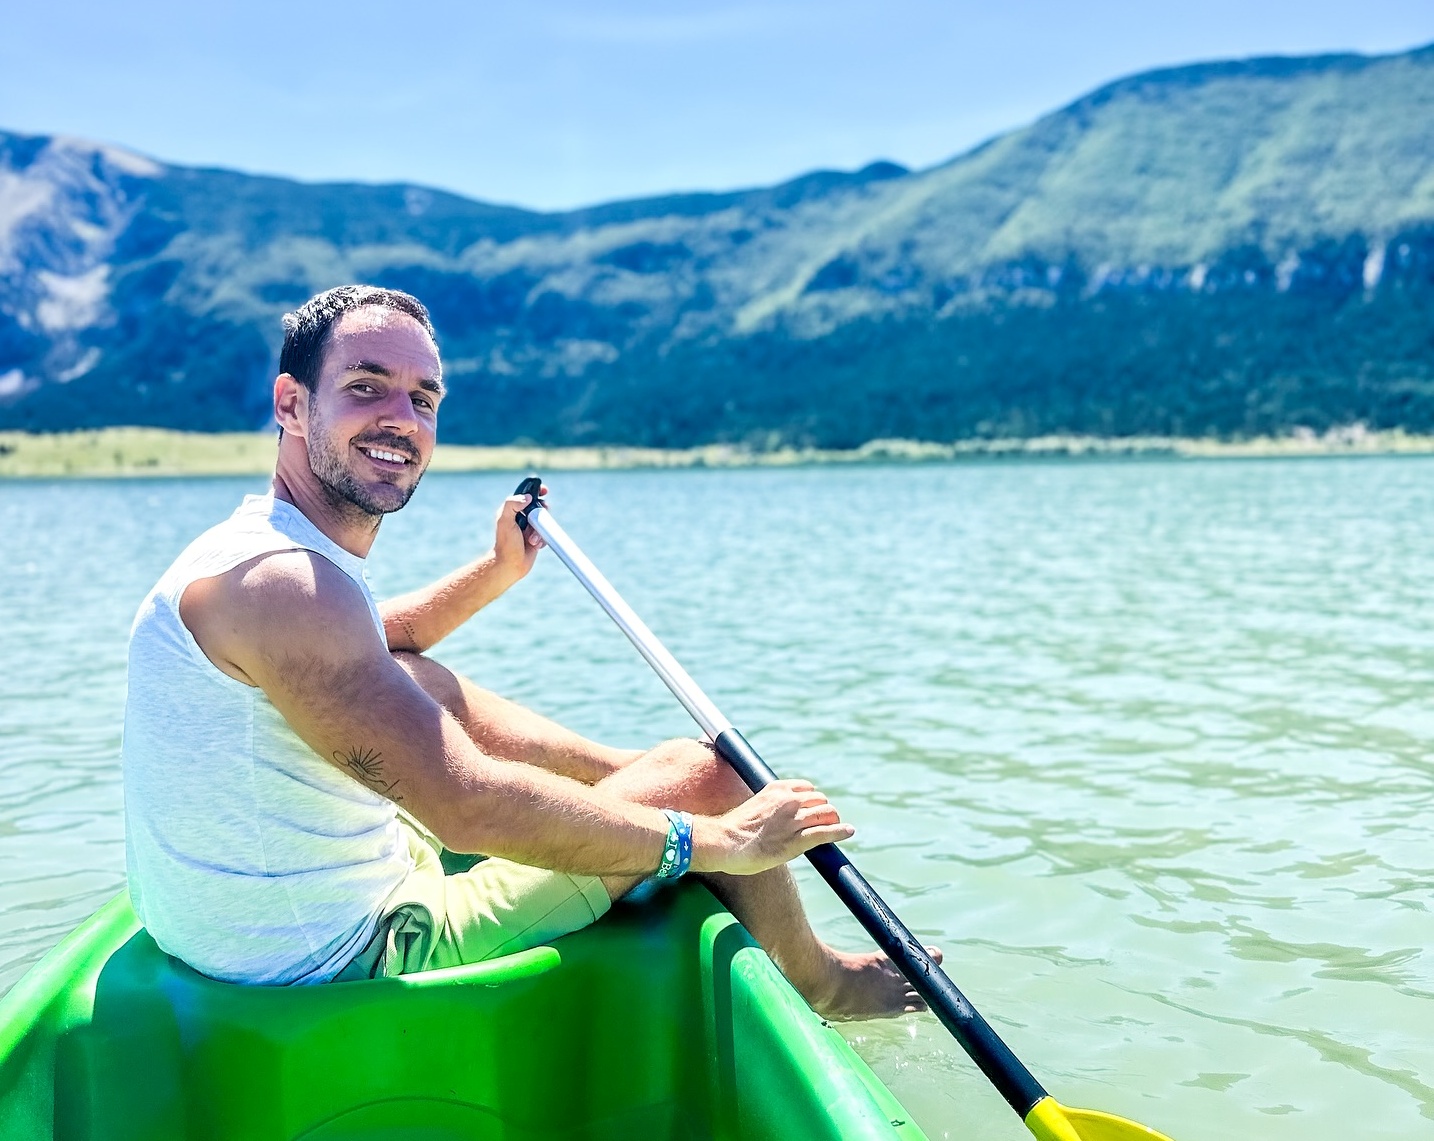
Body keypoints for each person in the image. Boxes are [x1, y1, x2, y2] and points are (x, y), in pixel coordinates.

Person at [122, 284, 934, 1018]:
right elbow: (463, 807)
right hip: (337, 956)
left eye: (423, 397)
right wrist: (715, 837)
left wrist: (498, 571)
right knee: (710, 777)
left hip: (251, 928)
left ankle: (624, 772)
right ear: (291, 404)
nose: (402, 418)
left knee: (411, 677)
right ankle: (823, 982)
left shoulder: (258, 552)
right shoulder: (290, 587)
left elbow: (378, 641)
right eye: (366, 386)